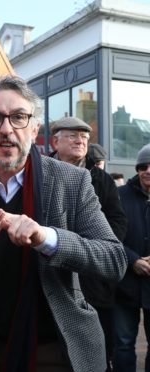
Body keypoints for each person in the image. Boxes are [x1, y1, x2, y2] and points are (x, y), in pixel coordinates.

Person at [0, 75, 127, 371]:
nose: (6, 129)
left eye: (18, 117)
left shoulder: (72, 180)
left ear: (34, 128)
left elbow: (113, 260)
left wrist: (48, 238)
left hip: (57, 350)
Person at [50, 116, 127, 371]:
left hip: (93, 279)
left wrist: (89, 247)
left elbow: (117, 222)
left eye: (84, 137)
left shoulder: (101, 180)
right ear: (55, 141)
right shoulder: (41, 175)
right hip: (53, 275)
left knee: (96, 351)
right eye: (72, 135)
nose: (80, 140)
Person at [113, 143, 150, 372]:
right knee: (124, 345)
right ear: (137, 169)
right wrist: (133, 260)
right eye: (143, 166)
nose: (148, 171)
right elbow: (109, 234)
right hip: (125, 284)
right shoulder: (119, 196)